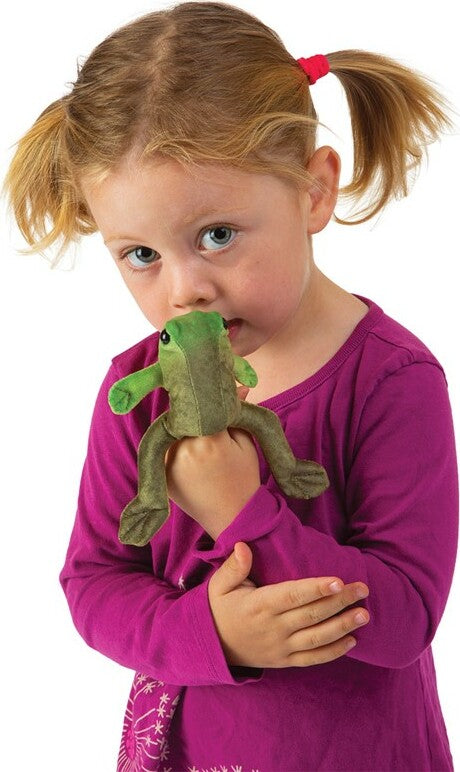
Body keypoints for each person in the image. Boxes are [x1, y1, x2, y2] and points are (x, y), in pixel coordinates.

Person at [2, 2, 458, 770]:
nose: (184, 290)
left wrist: (243, 514)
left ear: (313, 191)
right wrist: (213, 634)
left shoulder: (391, 381)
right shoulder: (136, 389)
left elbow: (405, 617)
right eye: (141, 254)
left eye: (217, 235)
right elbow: (94, 581)